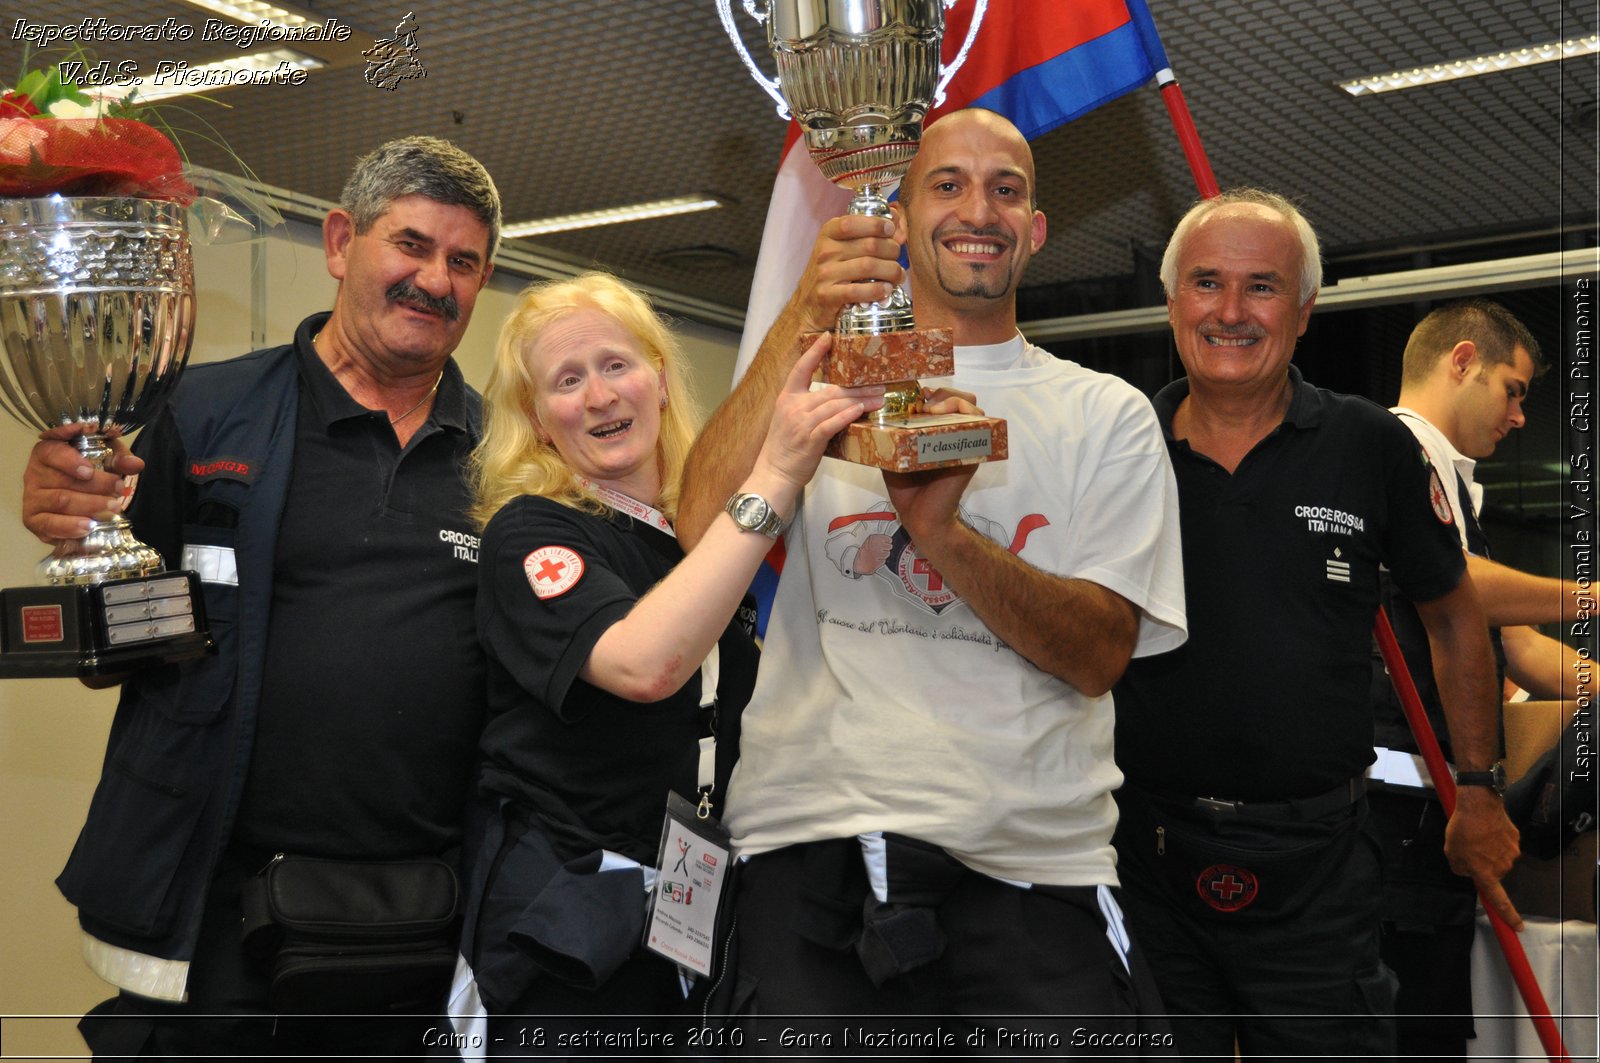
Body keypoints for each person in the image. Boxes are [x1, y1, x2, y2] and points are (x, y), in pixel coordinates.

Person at [676, 108, 1188, 1043]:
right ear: (900, 218)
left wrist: (940, 531)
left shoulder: (1105, 413)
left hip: (1034, 861)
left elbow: (1100, 653)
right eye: (947, 184)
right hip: (811, 839)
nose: (977, 209)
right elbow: (697, 526)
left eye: (1007, 189)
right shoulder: (823, 382)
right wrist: (804, 315)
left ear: (1035, 229)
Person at [21, 136, 501, 1057]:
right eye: (410, 244)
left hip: (427, 921)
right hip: (216, 917)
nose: (434, 280)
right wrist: (68, 513)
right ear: (338, 242)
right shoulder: (197, 414)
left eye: (463, 261)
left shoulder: (511, 457)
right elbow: (111, 623)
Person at [1111, 188, 1522, 1060]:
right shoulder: (1118, 441)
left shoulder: (1370, 444)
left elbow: (1454, 620)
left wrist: (1479, 786)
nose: (1229, 311)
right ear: (1171, 299)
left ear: (1304, 314)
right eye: (1206, 283)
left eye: (1260, 287)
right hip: (1141, 859)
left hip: (1320, 870)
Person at [439, 273, 866, 1051]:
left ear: (660, 380)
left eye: (616, 365)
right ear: (535, 418)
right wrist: (773, 476)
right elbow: (646, 664)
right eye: (567, 381)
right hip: (562, 932)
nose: (600, 396)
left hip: (694, 913)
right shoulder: (531, 531)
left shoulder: (697, 534)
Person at [1371, 298, 1583, 1060]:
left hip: (1439, 823)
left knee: (1432, 1023)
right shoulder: (1391, 455)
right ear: (1461, 360)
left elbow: (1516, 642)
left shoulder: (1457, 488)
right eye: (1513, 388)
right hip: (1388, 815)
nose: (1522, 415)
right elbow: (1453, 584)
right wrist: (1590, 596)